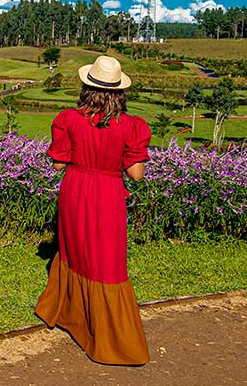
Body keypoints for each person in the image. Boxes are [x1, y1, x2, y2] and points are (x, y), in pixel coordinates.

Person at [34, 54, 151, 366]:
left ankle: (72, 316)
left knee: (76, 252)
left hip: (75, 189)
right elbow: (135, 174)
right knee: (107, 263)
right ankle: (113, 338)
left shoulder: (68, 119)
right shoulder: (132, 126)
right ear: (119, 92)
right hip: (108, 194)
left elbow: (59, 164)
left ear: (86, 89)